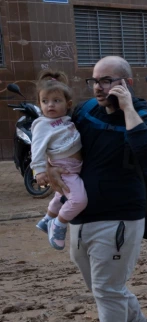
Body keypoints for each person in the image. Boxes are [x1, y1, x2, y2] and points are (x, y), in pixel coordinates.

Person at [39, 56, 147, 322]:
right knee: (100, 286)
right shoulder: (84, 111)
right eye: (95, 80)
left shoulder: (145, 118)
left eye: (107, 80)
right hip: (81, 213)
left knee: (107, 287)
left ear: (126, 83)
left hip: (121, 216)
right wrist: (47, 167)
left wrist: (127, 109)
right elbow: (55, 137)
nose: (98, 86)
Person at [31, 72, 87, 250]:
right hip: (64, 169)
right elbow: (37, 148)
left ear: (68, 104)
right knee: (78, 200)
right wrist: (39, 170)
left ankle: (47, 219)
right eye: (45, 101)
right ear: (39, 104)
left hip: (73, 167)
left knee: (61, 195)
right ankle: (58, 224)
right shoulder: (42, 124)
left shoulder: (66, 120)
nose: (50, 105)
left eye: (56, 100)